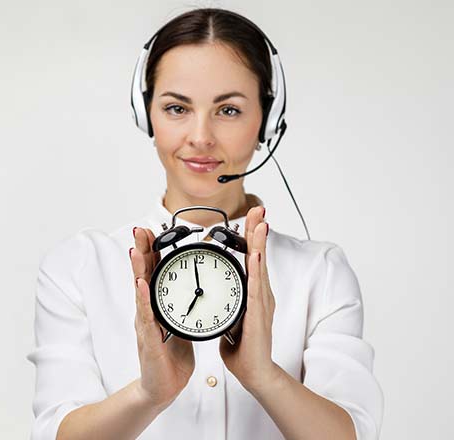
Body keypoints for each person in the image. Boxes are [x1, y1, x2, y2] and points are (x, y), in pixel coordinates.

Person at [27, 7, 384, 440]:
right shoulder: (79, 266)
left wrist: (264, 376)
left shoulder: (320, 271)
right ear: (147, 117)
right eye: (177, 107)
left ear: (266, 121)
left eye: (229, 110)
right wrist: (149, 393)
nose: (201, 136)